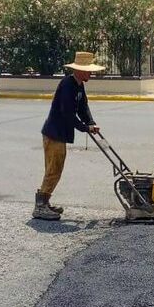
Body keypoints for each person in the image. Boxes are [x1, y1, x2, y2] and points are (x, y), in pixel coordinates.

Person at [33, 52, 105, 220]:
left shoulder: (79, 85)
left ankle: (45, 201)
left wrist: (91, 123)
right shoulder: (67, 85)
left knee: (54, 169)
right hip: (54, 133)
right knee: (54, 169)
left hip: (60, 133)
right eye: (87, 71)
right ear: (79, 71)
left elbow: (83, 108)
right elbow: (67, 113)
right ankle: (40, 206)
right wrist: (84, 128)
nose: (90, 74)